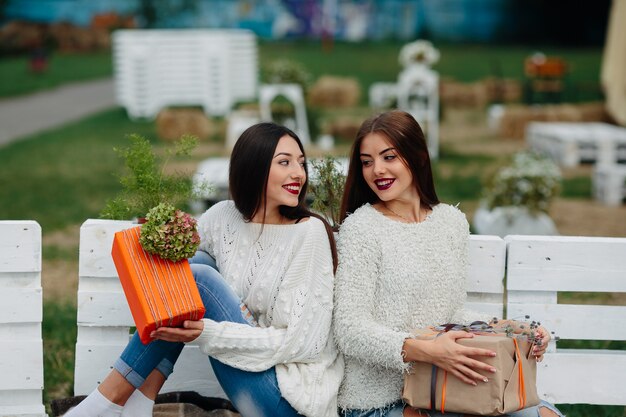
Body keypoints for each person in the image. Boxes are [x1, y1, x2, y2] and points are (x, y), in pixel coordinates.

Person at [66, 122, 344, 417]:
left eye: (301, 163)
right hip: (251, 373)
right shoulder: (224, 217)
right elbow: (181, 259)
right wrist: (159, 231)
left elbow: (303, 345)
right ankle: (139, 403)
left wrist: (207, 333)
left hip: (289, 400)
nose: (298, 174)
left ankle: (107, 401)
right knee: (195, 266)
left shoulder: (309, 233)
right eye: (284, 163)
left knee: (197, 278)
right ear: (254, 167)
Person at [332, 110, 562, 417]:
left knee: (544, 415)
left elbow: (452, 312)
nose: (377, 170)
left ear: (418, 157)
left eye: (389, 157)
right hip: (381, 402)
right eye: (367, 161)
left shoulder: (451, 222)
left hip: (446, 389)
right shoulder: (361, 228)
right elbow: (349, 329)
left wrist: (511, 329)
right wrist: (427, 351)